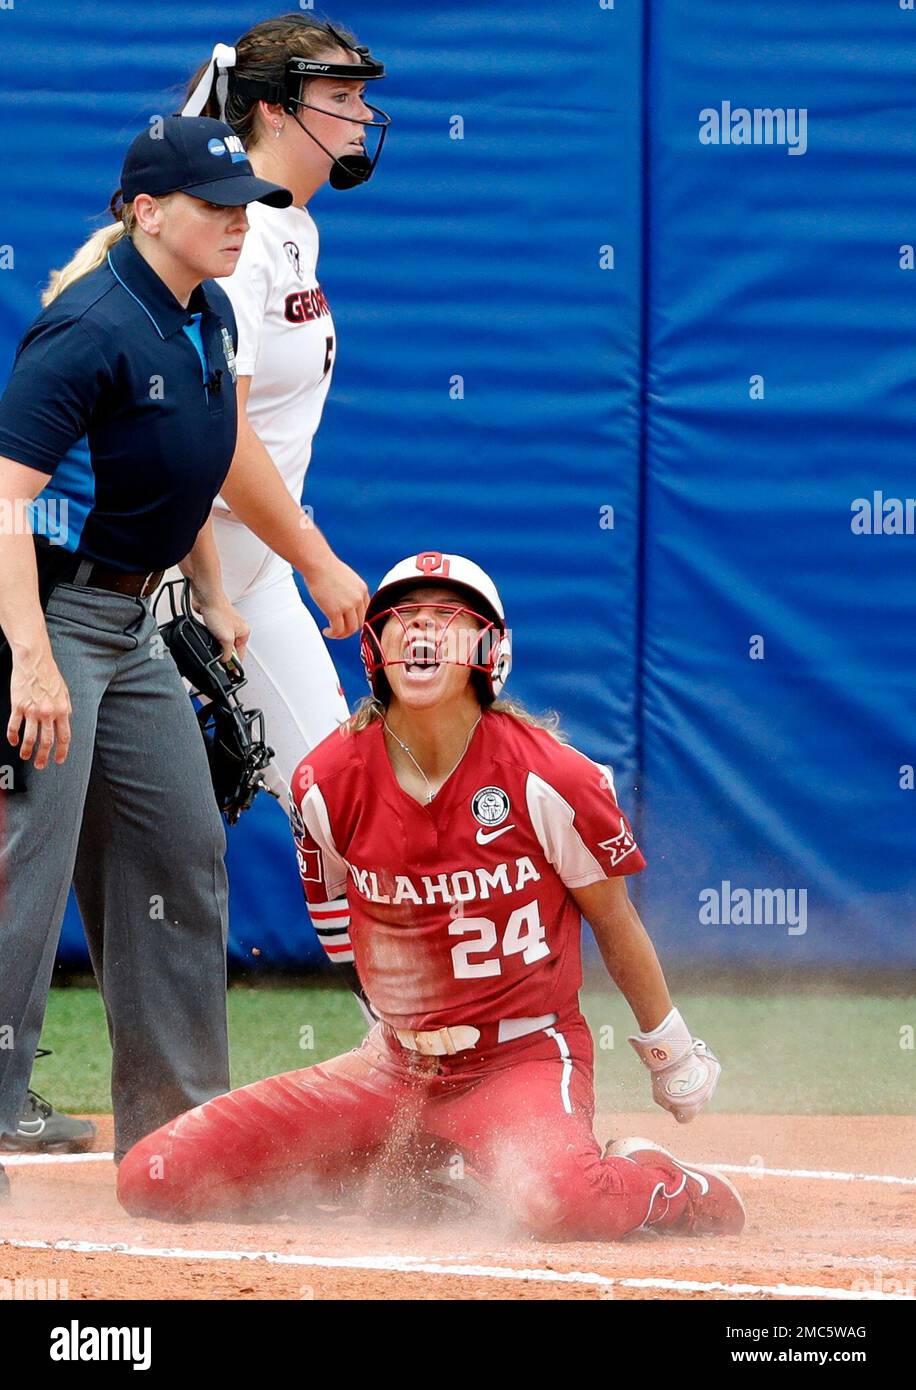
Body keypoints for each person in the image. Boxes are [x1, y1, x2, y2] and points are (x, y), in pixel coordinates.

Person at [116, 551, 745, 1240]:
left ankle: (664, 1180)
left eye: (446, 618)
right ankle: (431, 1168)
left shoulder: (551, 776)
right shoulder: (326, 783)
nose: (422, 630)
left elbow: (615, 922)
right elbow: (337, 933)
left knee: (562, 1203)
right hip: (395, 1065)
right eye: (403, 617)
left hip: (521, 1058)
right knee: (151, 1178)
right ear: (374, 648)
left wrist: (671, 1051)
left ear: (489, 649)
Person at [0, 116, 293, 1197]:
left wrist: (212, 596)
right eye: (215, 206)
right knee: (26, 856)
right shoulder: (86, 329)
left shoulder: (205, 312)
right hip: (49, 614)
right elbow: (3, 499)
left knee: (178, 848)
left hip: (130, 627)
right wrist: (28, 658)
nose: (235, 223)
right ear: (145, 211)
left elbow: (191, 469)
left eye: (243, 205)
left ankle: (178, 1128)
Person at [176, 14, 391, 807]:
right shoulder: (242, 235)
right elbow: (219, 433)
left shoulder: (293, 223)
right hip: (174, 570)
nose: (363, 114)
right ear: (273, 109)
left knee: (340, 804)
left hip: (252, 566)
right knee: (90, 822)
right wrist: (320, 561)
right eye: (341, 95)